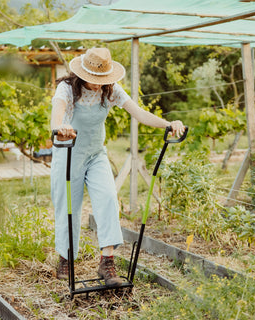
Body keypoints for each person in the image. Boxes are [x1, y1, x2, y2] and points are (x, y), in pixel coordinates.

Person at [51, 47, 185, 286]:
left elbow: (140, 113)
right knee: (68, 206)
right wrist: (60, 127)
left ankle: (107, 261)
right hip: (69, 152)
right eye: (94, 80)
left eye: (102, 79)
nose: (97, 84)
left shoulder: (111, 91)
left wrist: (169, 123)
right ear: (82, 74)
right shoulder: (67, 89)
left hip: (95, 155)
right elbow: (57, 112)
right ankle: (66, 257)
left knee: (109, 198)